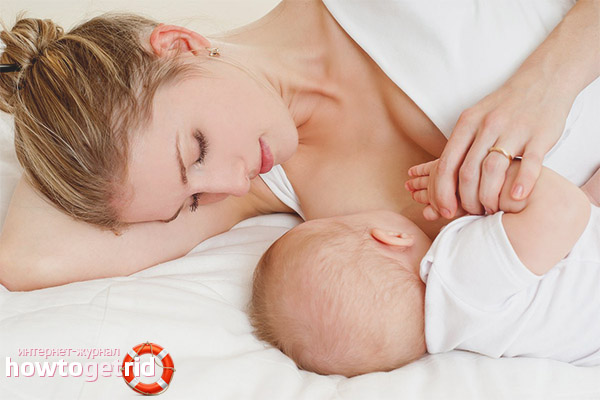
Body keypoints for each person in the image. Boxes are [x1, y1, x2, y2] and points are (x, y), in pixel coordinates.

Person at [0, 0, 598, 290]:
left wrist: (546, 83)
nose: (229, 183)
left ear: (181, 45)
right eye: (191, 202)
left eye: (197, 151)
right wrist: (44, 100)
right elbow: (26, 260)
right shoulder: (258, 184)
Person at [249, 160, 600, 377]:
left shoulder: (459, 330)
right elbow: (564, 208)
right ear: (390, 238)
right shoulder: (457, 275)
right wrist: (487, 175)